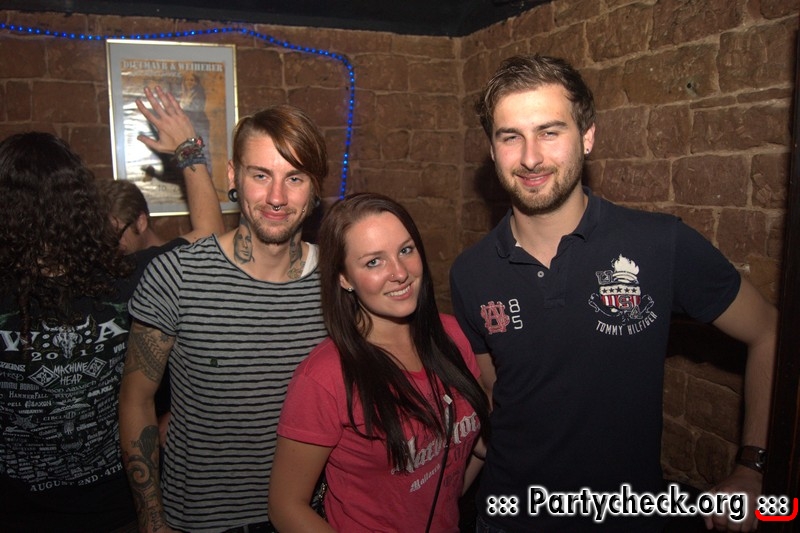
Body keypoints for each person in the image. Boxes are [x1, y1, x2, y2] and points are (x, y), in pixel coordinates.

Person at [449, 54, 777, 532]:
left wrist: (752, 467)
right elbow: (497, 394)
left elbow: (769, 331)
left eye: (549, 132)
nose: (531, 157)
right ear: (492, 149)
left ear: (587, 136)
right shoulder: (471, 272)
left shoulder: (660, 244)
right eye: (510, 136)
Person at [118, 104, 329, 532]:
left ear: (315, 188)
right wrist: (152, 520)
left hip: (308, 516)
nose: (276, 197)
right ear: (233, 176)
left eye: (295, 178)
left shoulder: (337, 282)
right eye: (260, 175)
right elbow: (136, 400)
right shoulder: (176, 275)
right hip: (201, 520)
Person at [269, 192, 491, 532]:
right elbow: (285, 507)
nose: (400, 273)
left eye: (406, 250)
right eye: (374, 262)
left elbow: (466, 455)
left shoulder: (452, 336)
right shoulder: (325, 377)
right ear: (344, 278)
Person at [0, 132, 146, 532]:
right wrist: (189, 153)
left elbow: (203, 243)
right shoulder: (118, 278)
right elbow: (206, 233)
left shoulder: (118, 278)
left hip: (116, 508)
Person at [100, 85, 225, 255]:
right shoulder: (130, 264)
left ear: (141, 222)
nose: (108, 247)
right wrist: (187, 149)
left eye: (114, 236)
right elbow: (211, 236)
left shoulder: (162, 260)